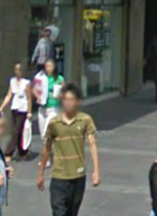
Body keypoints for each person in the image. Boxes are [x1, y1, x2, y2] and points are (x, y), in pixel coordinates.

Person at [37, 83, 100, 216]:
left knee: (72, 213)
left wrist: (96, 171)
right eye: (65, 99)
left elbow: (92, 144)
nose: (68, 103)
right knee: (59, 212)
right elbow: (47, 148)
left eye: (71, 99)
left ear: (77, 102)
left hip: (78, 176)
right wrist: (41, 173)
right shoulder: (54, 123)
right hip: (59, 176)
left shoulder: (85, 120)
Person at [0, 63, 32, 160]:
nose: (18, 72)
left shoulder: (26, 83)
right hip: (15, 108)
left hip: (23, 109)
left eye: (19, 70)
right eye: (16, 69)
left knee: (16, 131)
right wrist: (1, 108)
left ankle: (8, 153)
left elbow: (29, 98)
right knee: (18, 131)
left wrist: (29, 112)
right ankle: (23, 152)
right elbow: (9, 95)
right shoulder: (12, 81)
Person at [32, 59, 63, 140]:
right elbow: (34, 89)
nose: (48, 68)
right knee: (43, 134)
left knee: (48, 129)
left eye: (50, 66)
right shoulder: (41, 78)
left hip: (54, 108)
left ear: (54, 67)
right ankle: (48, 146)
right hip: (43, 107)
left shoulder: (59, 79)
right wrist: (38, 97)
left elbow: (65, 92)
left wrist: (59, 95)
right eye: (46, 66)